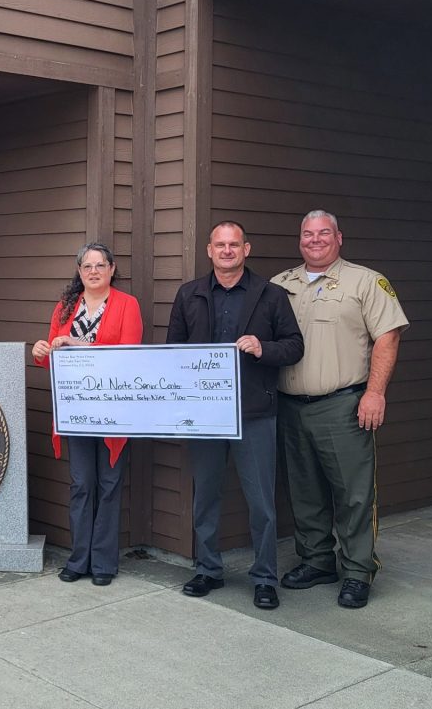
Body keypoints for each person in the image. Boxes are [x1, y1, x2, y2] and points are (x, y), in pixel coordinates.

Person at [273, 210, 409, 609]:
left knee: (353, 494)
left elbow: (388, 337)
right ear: (299, 239)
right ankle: (316, 562)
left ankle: (356, 571)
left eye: (324, 233)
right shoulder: (280, 285)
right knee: (305, 492)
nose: (315, 240)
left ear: (339, 237)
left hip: (344, 405)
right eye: (308, 234)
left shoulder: (365, 281)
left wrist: (375, 392)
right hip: (291, 406)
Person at [167, 222, 303, 610]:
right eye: (220, 245)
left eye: (234, 245)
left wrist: (263, 348)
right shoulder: (189, 294)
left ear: (247, 248)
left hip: (254, 412)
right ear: (209, 250)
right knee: (205, 496)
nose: (227, 251)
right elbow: (172, 350)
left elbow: (295, 346)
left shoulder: (271, 295)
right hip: (204, 414)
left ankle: (264, 577)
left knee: (261, 500)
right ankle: (208, 569)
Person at [32, 242, 143, 586]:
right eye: (87, 266)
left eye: (100, 265)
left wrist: (77, 344)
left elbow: (128, 354)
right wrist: (41, 351)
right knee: (82, 485)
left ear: (112, 270)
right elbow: (52, 353)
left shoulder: (127, 305)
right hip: (76, 410)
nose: (93, 271)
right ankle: (79, 559)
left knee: (109, 485)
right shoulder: (65, 308)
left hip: (113, 411)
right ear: (79, 272)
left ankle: (104, 563)